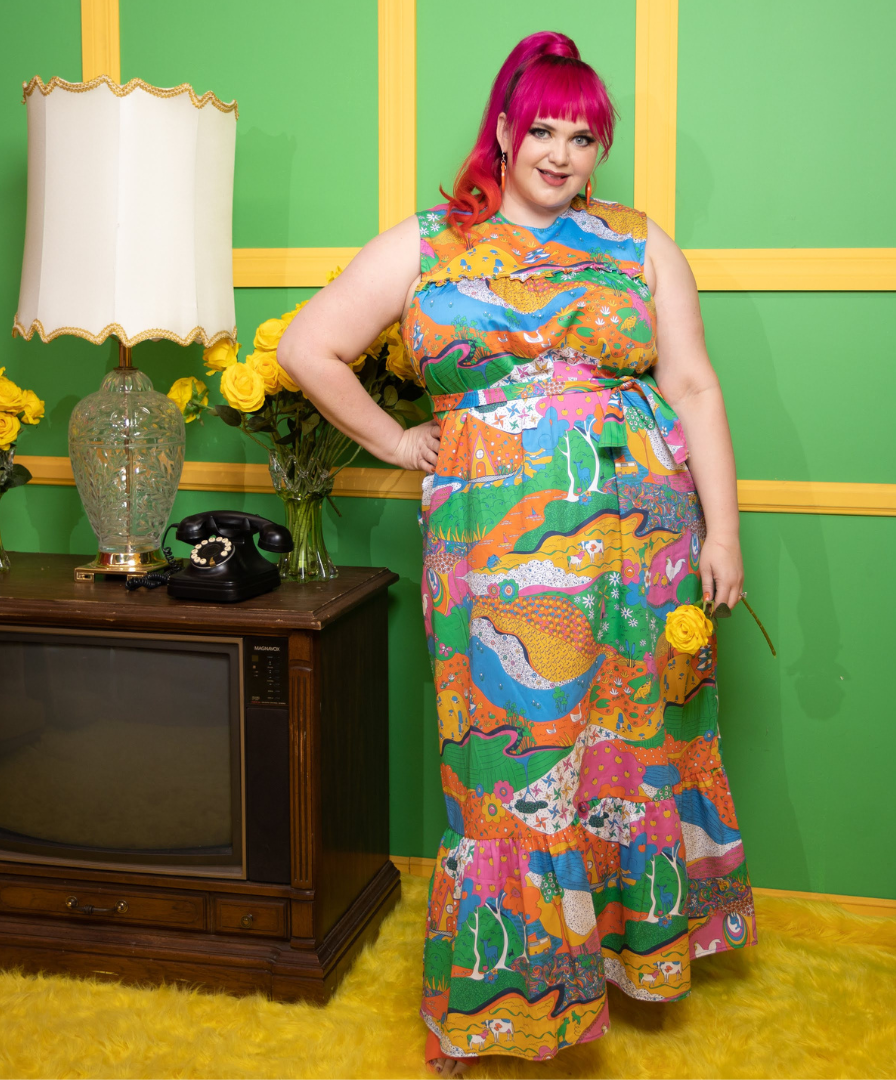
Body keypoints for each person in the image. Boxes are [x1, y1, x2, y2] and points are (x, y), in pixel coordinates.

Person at [278, 30, 757, 1075]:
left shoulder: (638, 244)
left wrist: (723, 530)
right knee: (512, 761)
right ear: (502, 129)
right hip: (492, 552)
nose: (562, 152)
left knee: (635, 743)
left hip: (645, 545)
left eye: (584, 135)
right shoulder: (429, 242)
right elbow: (305, 346)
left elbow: (694, 388)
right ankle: (510, 999)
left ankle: (632, 962)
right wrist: (399, 441)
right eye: (543, 126)